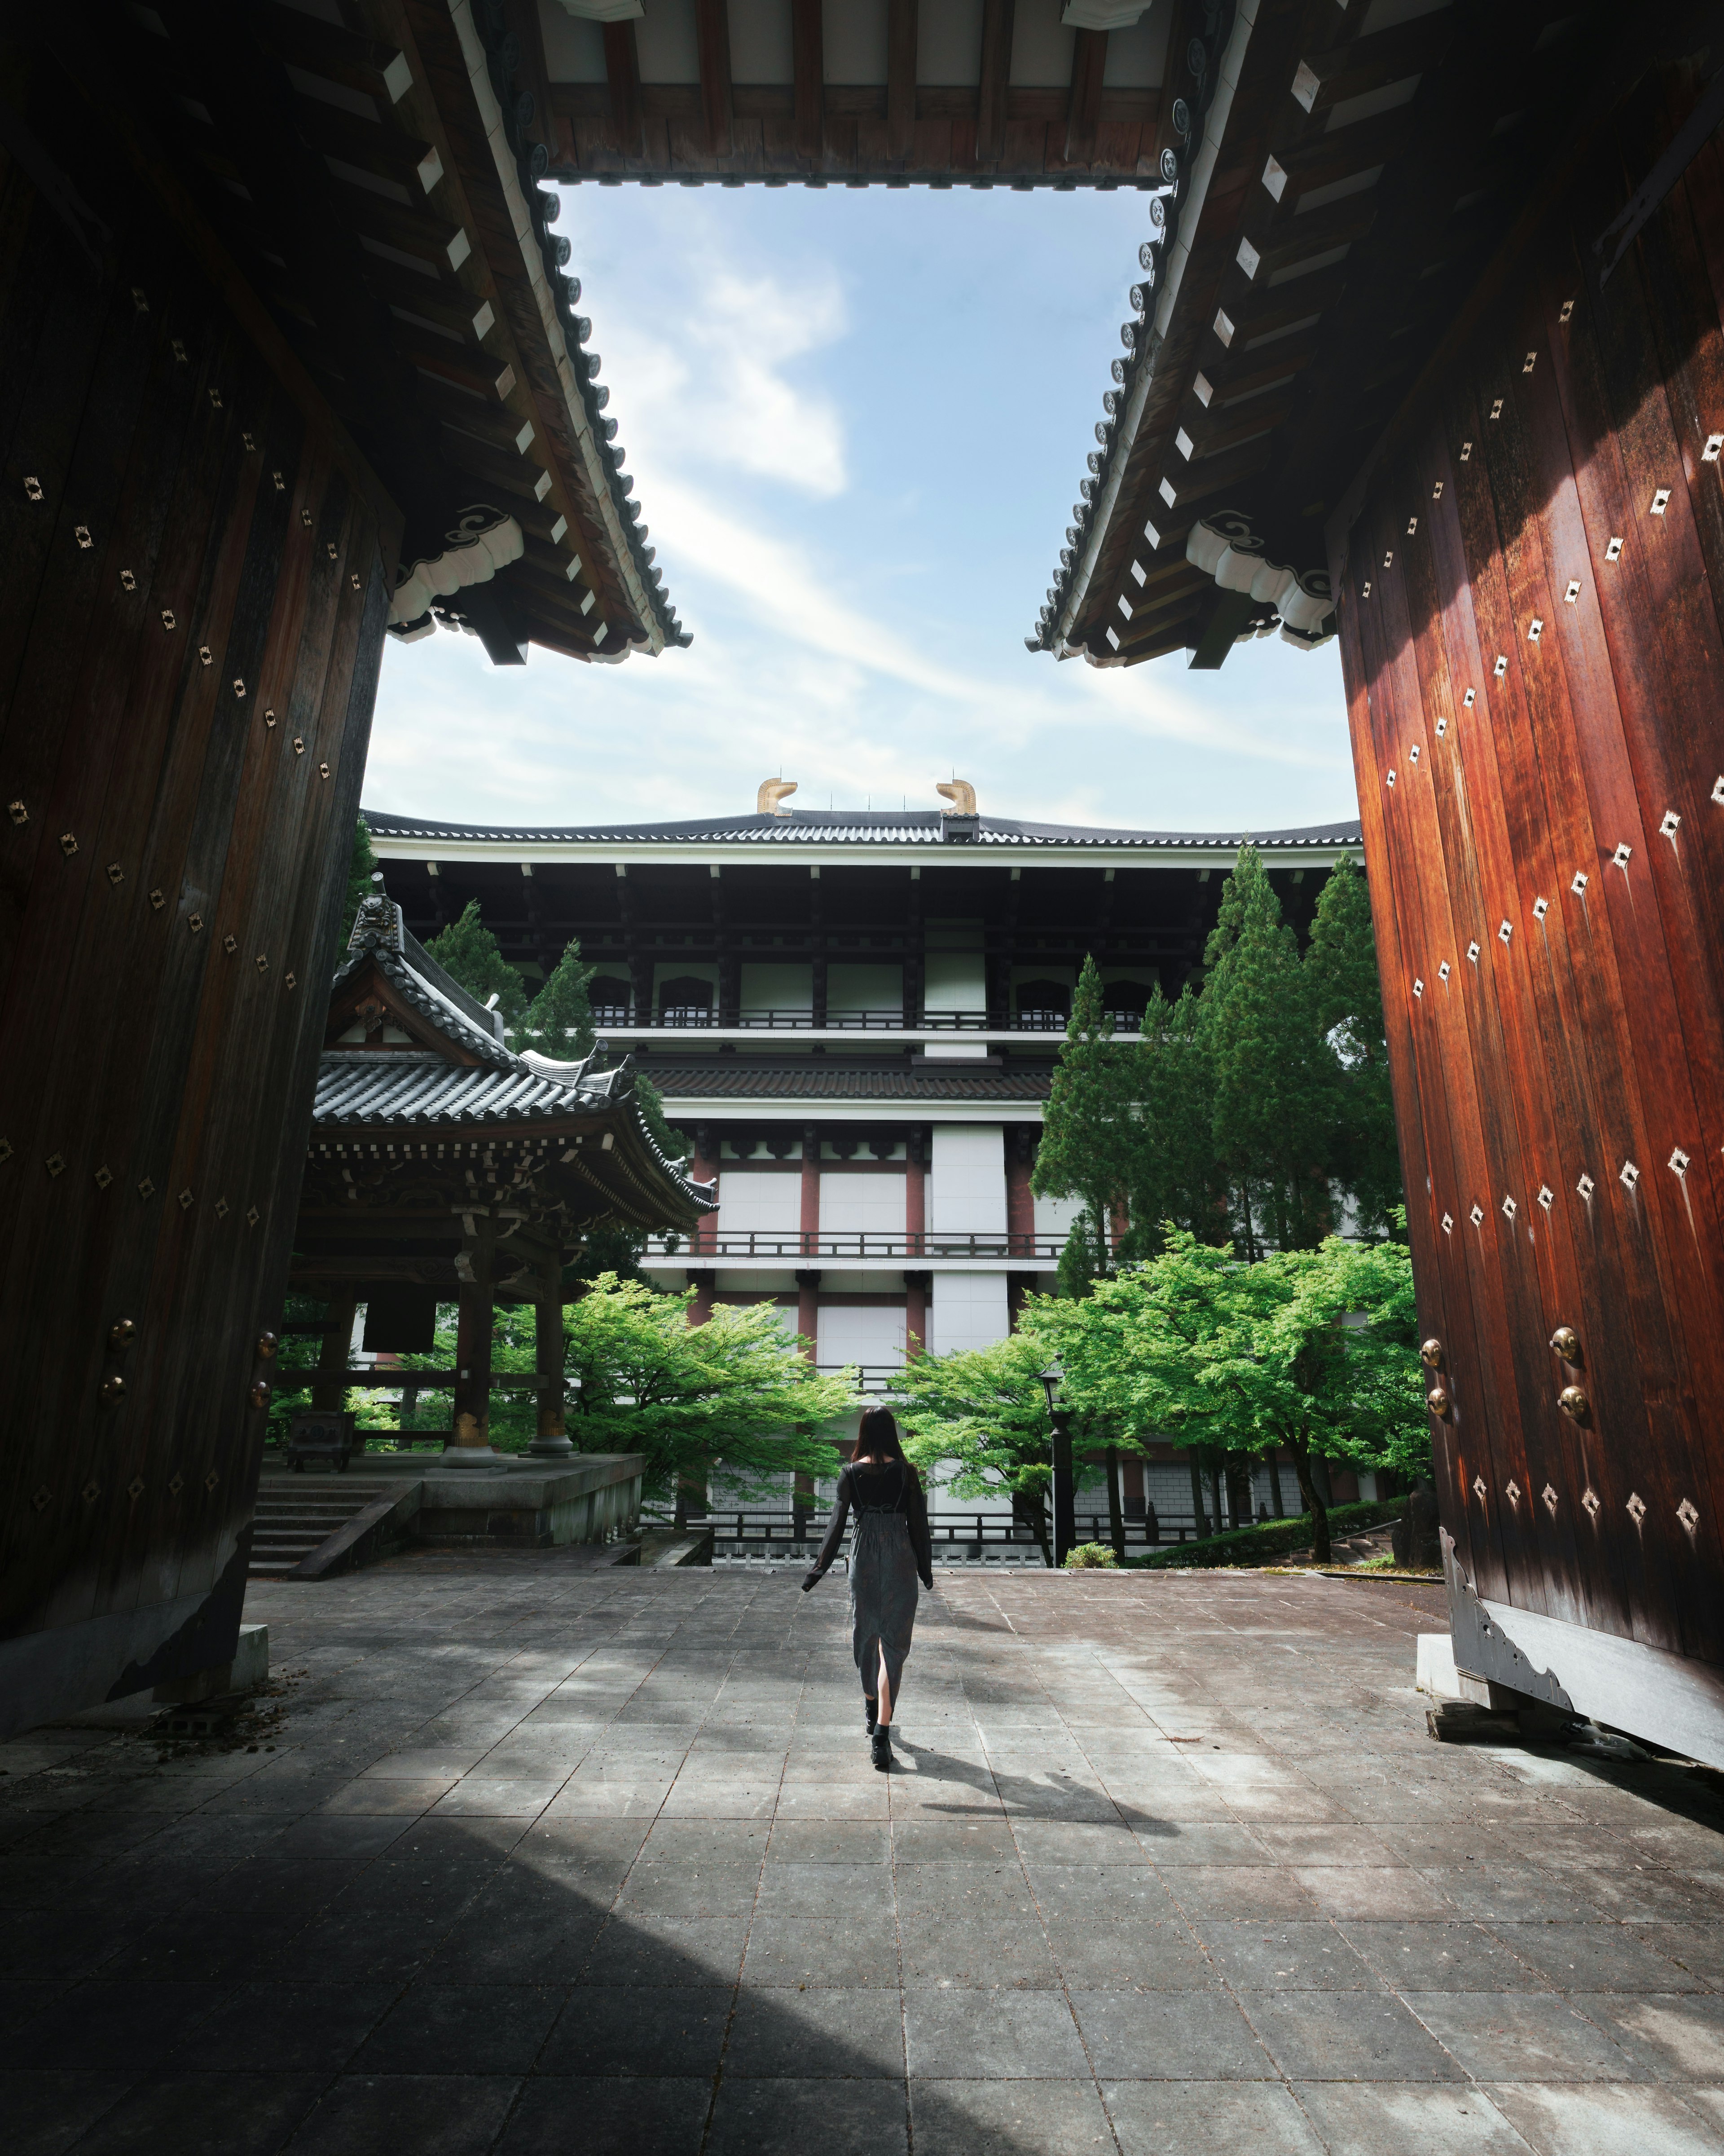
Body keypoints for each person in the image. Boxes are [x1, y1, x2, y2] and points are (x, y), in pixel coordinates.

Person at [802, 1407, 934, 1771]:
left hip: (863, 1557)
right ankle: (882, 1733)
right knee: (893, 1643)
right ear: (892, 1433)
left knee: (867, 1636)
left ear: (863, 1432)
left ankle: (871, 1708)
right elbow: (919, 1524)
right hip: (900, 1558)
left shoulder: (850, 1473)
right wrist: (925, 1568)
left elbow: (837, 1523)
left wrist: (818, 1569)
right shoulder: (906, 1472)